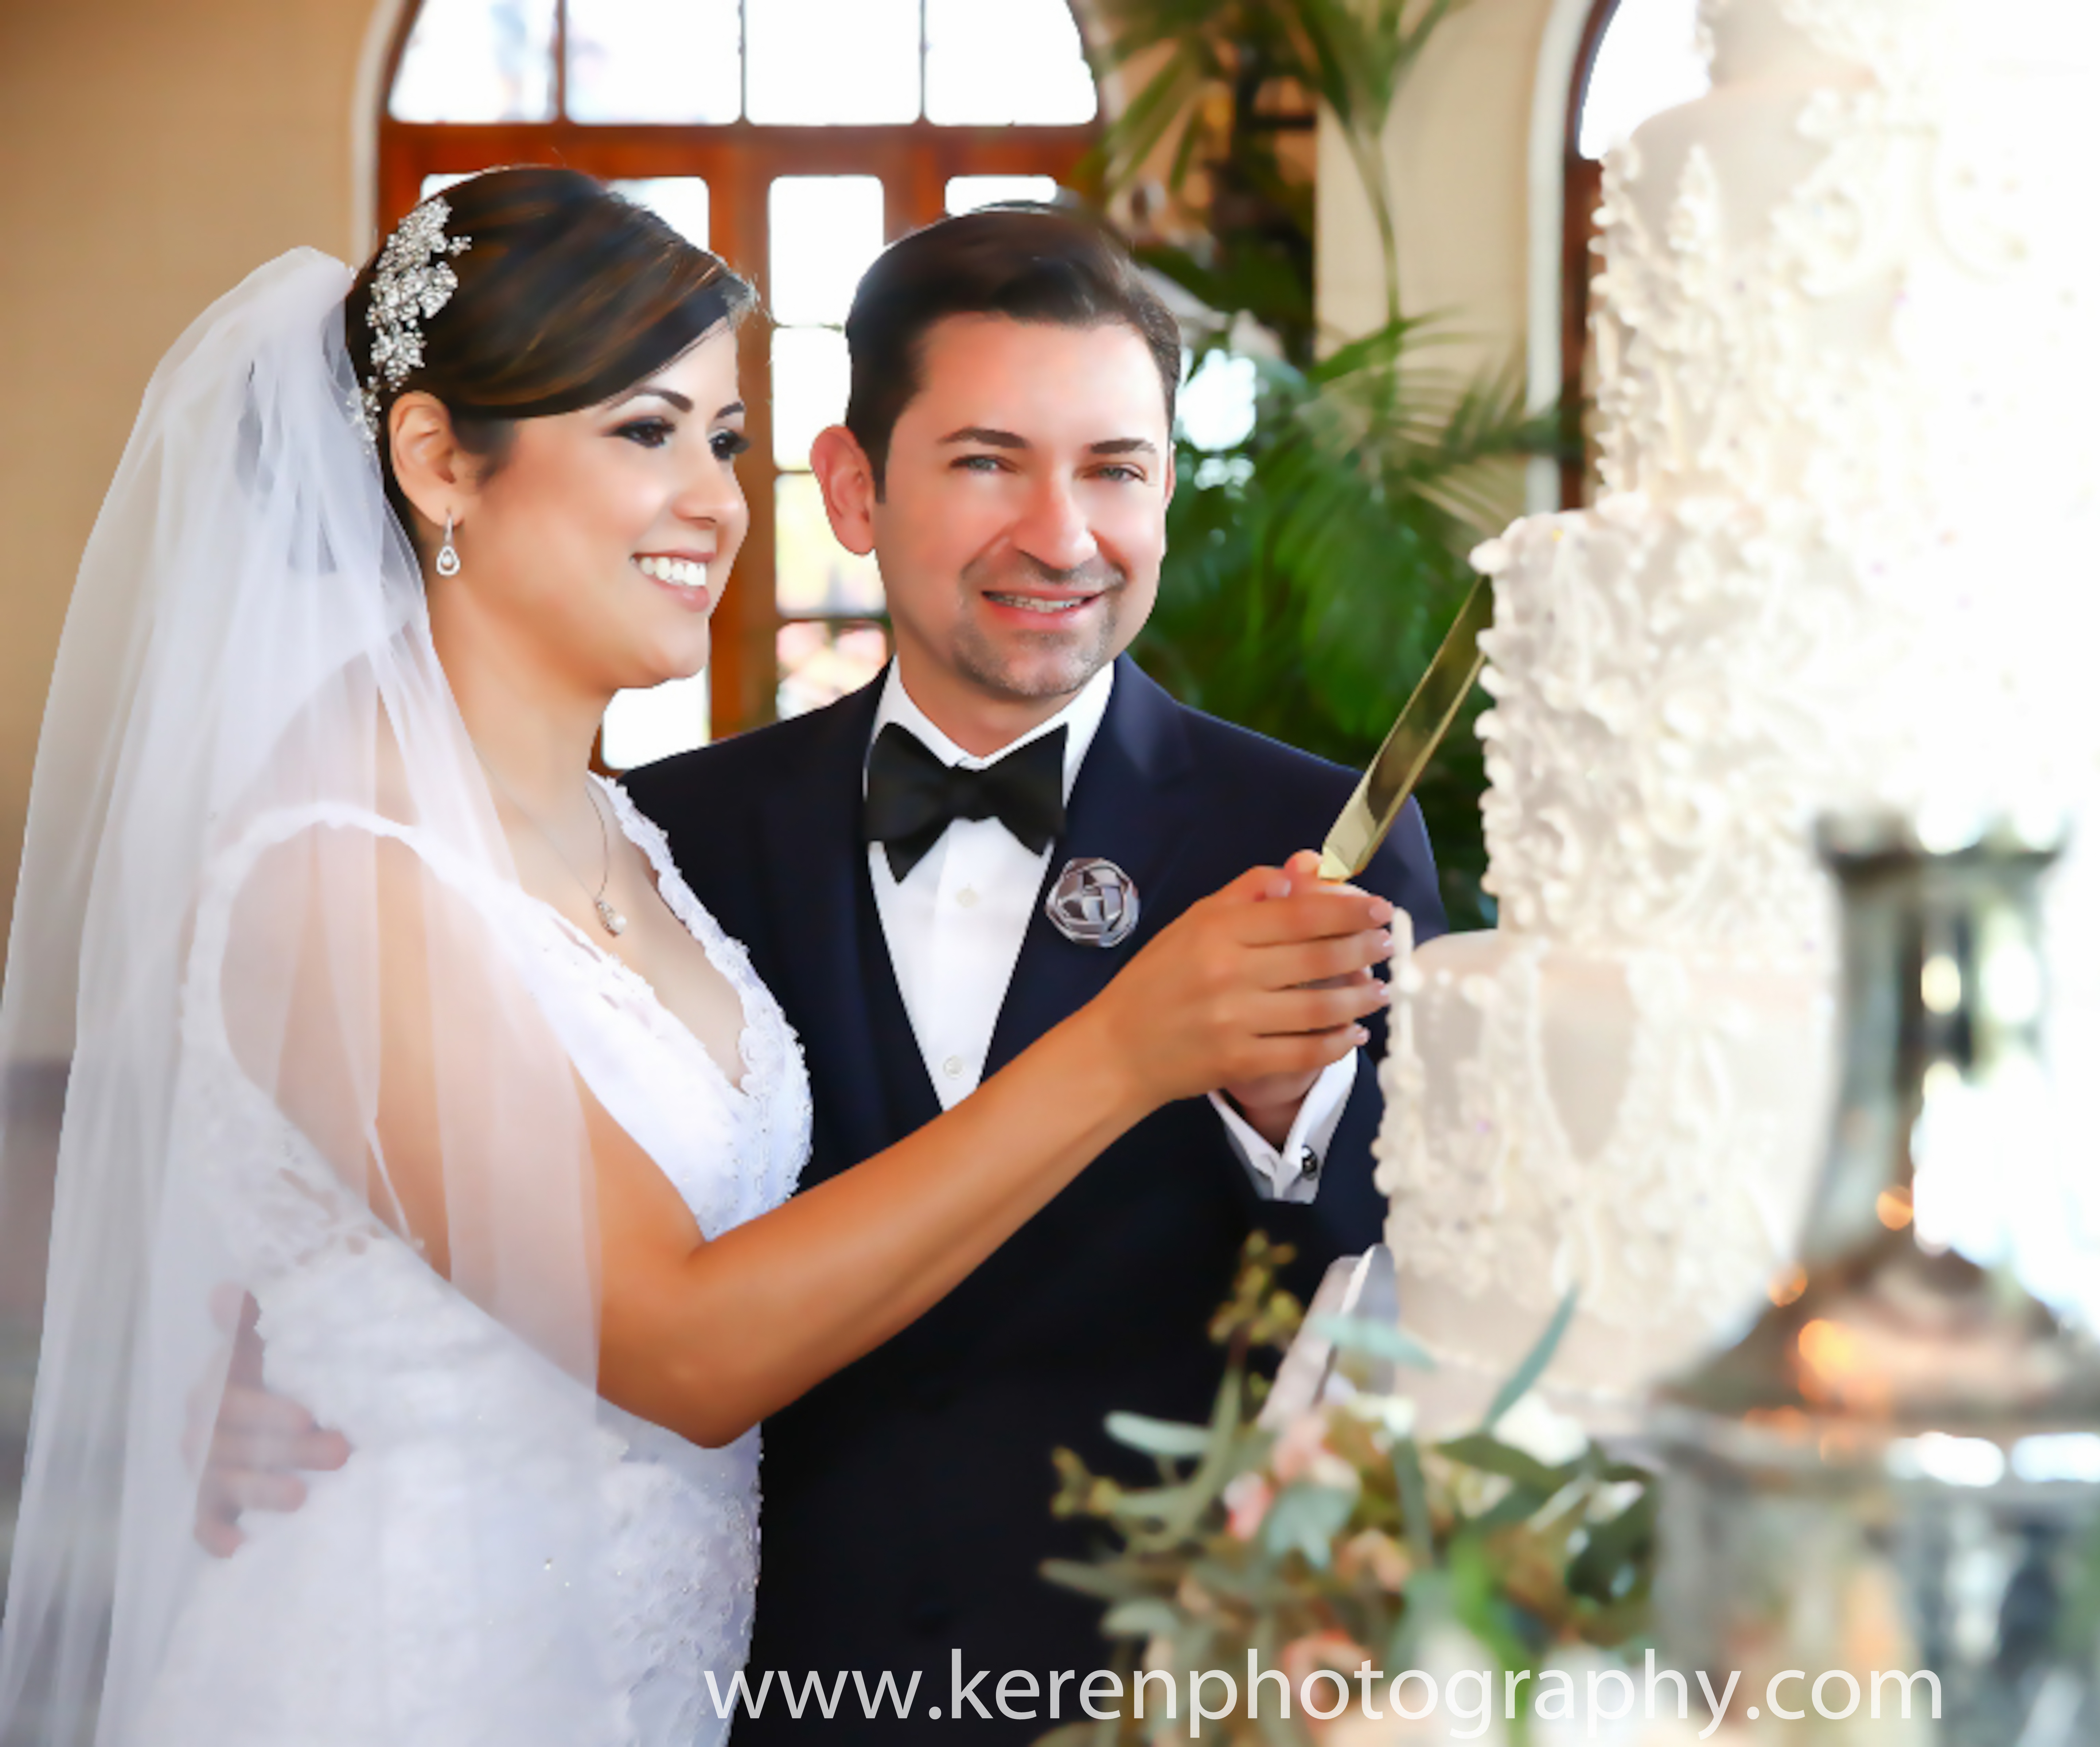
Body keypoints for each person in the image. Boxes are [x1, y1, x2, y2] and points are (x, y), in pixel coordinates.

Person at [0, 169, 1395, 1746]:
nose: (714, 502)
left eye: (718, 440)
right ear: (438, 458)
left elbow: (1402, 1276)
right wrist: (265, 1369)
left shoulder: (629, 843)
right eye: (646, 432)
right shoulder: (369, 854)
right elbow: (658, 1324)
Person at [618, 207, 1449, 1740]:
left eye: (1117, 468)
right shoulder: (664, 841)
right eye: (990, 460)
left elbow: (1425, 1296)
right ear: (856, 489)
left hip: (1177, 1693)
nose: (1063, 536)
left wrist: (1292, 1112)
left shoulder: (1324, 844)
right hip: (775, 1686)